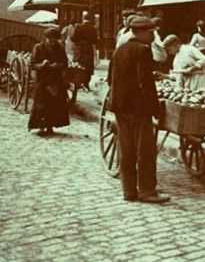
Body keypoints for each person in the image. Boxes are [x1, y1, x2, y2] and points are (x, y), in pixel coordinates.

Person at [109, 16, 169, 204]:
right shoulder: (143, 51)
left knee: (126, 150)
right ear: (142, 32)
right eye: (151, 32)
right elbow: (146, 84)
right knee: (145, 150)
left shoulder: (120, 50)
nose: (153, 36)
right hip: (138, 108)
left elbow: (113, 77)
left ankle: (129, 191)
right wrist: (155, 109)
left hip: (120, 107)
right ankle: (147, 191)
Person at [28, 27, 70, 135]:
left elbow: (65, 63)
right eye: (50, 39)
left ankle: (50, 126)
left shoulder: (60, 48)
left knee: (54, 104)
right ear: (45, 38)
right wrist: (42, 65)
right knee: (41, 104)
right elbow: (32, 64)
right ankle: (41, 126)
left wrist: (58, 65)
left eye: (54, 39)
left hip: (55, 79)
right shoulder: (38, 48)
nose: (52, 42)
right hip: (42, 79)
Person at [72, 14, 98, 86]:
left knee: (79, 64)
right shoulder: (93, 28)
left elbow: (74, 38)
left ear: (83, 19)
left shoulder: (78, 27)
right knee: (88, 66)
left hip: (79, 49)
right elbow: (95, 40)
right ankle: (86, 82)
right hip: (88, 49)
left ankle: (79, 82)